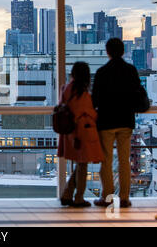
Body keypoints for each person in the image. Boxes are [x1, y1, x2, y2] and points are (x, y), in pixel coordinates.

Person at [92, 38, 142, 208]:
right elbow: (137, 92)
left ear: (107, 51)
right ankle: (125, 198)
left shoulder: (102, 72)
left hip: (106, 121)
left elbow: (95, 100)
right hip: (126, 120)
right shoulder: (130, 70)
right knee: (124, 161)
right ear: (123, 51)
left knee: (106, 161)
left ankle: (108, 198)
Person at [58, 62, 104, 208]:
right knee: (82, 165)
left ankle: (66, 194)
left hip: (69, 132)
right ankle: (78, 198)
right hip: (82, 132)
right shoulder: (83, 93)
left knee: (79, 165)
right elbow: (89, 112)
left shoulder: (66, 89)